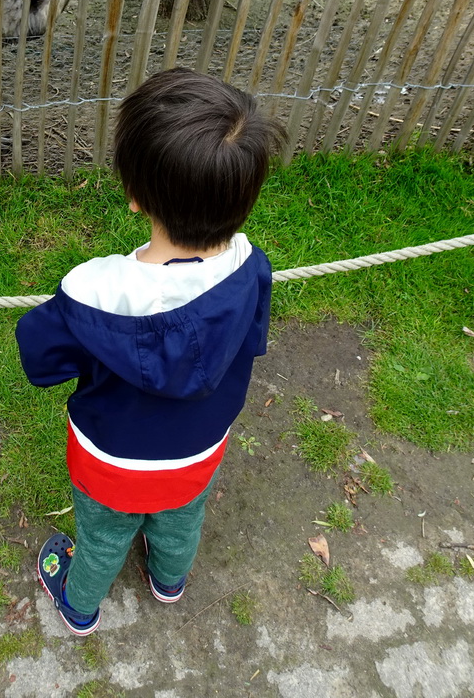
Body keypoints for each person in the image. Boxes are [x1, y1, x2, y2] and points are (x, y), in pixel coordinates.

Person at [15, 68, 287, 635]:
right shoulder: (252, 265)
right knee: (181, 517)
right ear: (245, 196)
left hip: (112, 460)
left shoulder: (93, 292)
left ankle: (79, 604)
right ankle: (169, 581)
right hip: (199, 450)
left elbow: (39, 360)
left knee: (103, 536)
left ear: (136, 196)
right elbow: (253, 340)